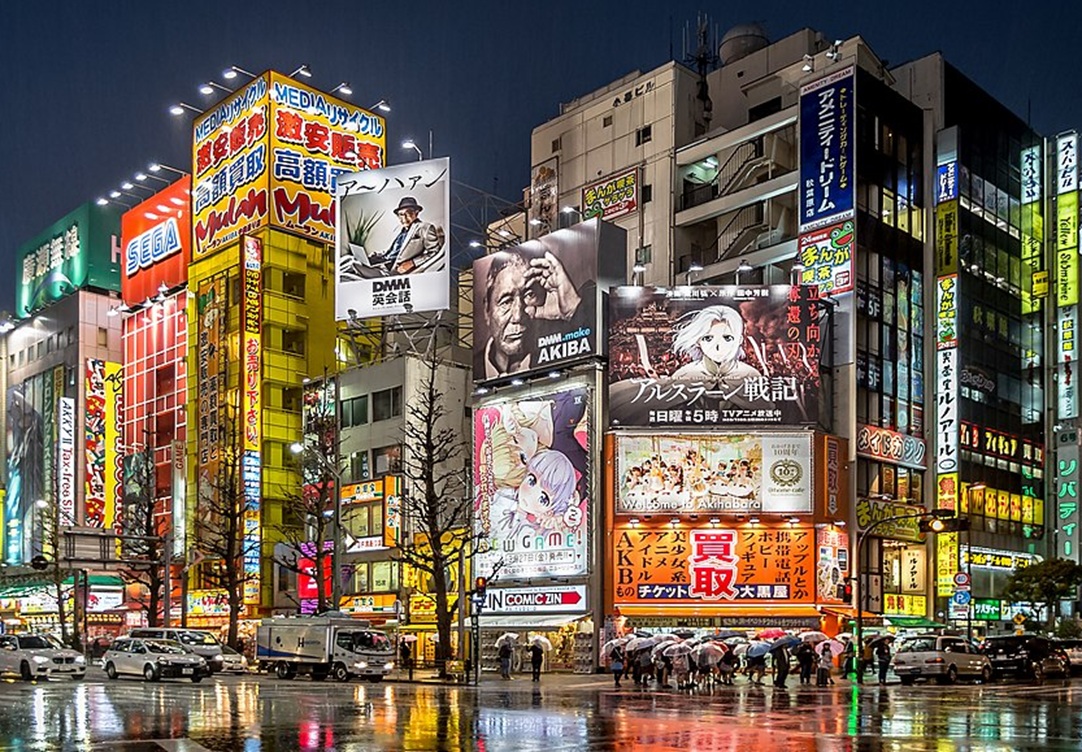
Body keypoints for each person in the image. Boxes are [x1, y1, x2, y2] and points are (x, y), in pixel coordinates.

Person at [474, 248, 594, 380]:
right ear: (487, 309)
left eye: (529, 295)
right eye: (506, 301)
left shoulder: (562, 349)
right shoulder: (473, 371)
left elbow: (602, 355)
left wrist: (572, 309)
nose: (518, 316)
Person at [364, 196, 445, 274]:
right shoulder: (400, 230)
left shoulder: (425, 227)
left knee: (356, 267)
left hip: (393, 269)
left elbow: (434, 251)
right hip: (382, 263)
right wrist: (377, 254)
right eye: (401, 214)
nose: (404, 218)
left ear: (416, 213)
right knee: (359, 261)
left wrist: (412, 263)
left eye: (408, 213)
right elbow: (394, 251)